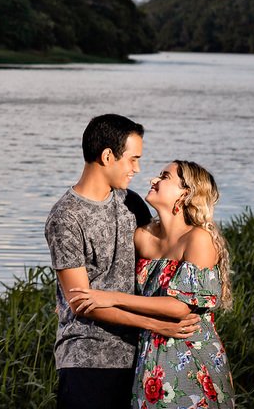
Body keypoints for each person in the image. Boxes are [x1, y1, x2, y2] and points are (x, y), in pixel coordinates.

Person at [46, 115, 201, 409]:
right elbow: (81, 302)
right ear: (107, 156)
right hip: (88, 359)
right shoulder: (65, 216)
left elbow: (160, 253)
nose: (137, 169)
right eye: (133, 159)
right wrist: (156, 324)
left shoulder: (131, 202)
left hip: (143, 357)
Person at [69, 161, 234, 409]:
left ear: (185, 193)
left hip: (191, 353)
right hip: (149, 358)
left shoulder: (198, 238)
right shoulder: (143, 237)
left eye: (165, 176)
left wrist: (111, 298)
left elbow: (180, 308)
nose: (153, 180)